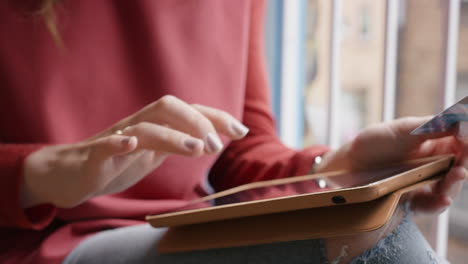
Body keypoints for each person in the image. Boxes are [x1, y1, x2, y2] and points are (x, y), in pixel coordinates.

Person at [0, 0, 466, 263]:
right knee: (377, 242)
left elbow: (238, 151)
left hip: (184, 228)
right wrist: (41, 172)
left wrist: (339, 166)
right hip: (47, 247)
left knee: (374, 222)